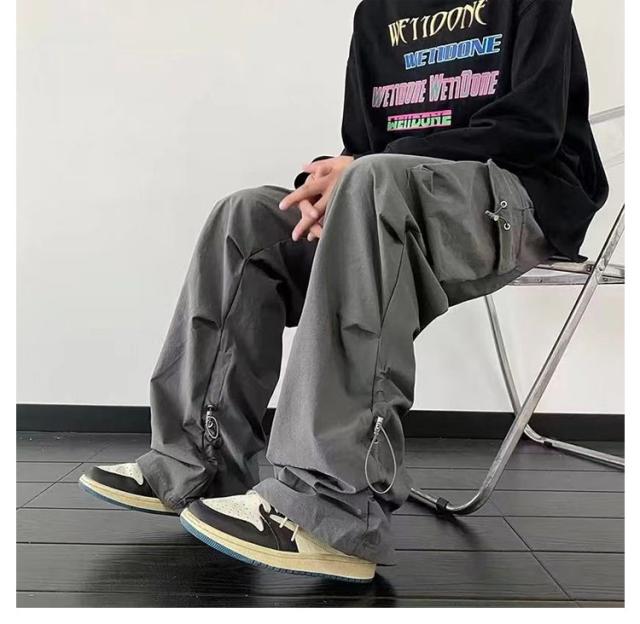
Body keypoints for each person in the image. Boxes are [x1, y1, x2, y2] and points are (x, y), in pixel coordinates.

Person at [79, 0, 608, 583]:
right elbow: (361, 144)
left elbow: (533, 128)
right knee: (246, 218)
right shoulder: (376, 13)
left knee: (371, 183)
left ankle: (333, 507)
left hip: (521, 199)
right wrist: (324, 181)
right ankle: (199, 463)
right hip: (395, 194)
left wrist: (364, 171)